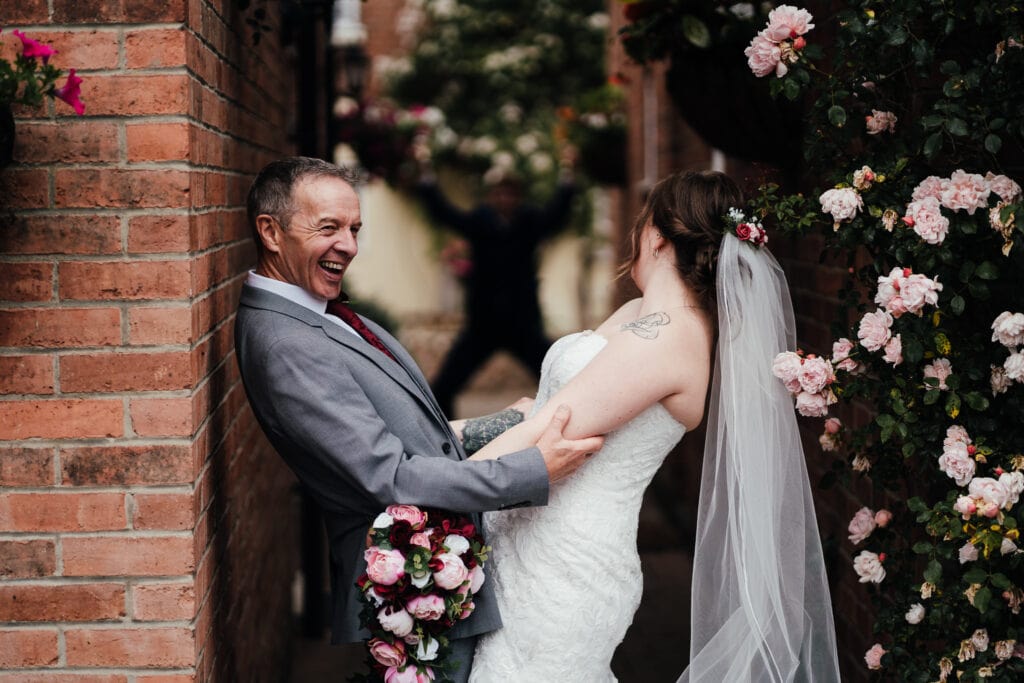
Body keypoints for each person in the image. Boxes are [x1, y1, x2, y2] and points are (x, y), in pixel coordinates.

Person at [233, 156, 604, 683]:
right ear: (270, 232)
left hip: (443, 563)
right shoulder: (285, 341)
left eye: (355, 229)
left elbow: (402, 429)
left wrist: (497, 424)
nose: (349, 245)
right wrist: (532, 469)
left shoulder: (311, 307)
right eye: (329, 228)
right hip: (413, 579)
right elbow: (389, 475)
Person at [463, 170, 841, 681]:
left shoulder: (670, 338)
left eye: (641, 223)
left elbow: (552, 426)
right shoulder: (639, 314)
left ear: (656, 235)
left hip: (563, 567)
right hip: (526, 544)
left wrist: (420, 490)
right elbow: (543, 408)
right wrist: (453, 430)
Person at [415, 158, 577, 416]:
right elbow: (445, 214)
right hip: (483, 324)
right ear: (492, 196)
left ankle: (570, 420)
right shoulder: (480, 220)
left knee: (561, 376)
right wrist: (427, 180)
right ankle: (444, 437)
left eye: (510, 194)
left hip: (522, 323)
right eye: (500, 193)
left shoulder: (529, 221)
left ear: (518, 197)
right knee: (443, 386)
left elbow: (556, 215)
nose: (505, 198)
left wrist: (568, 180)